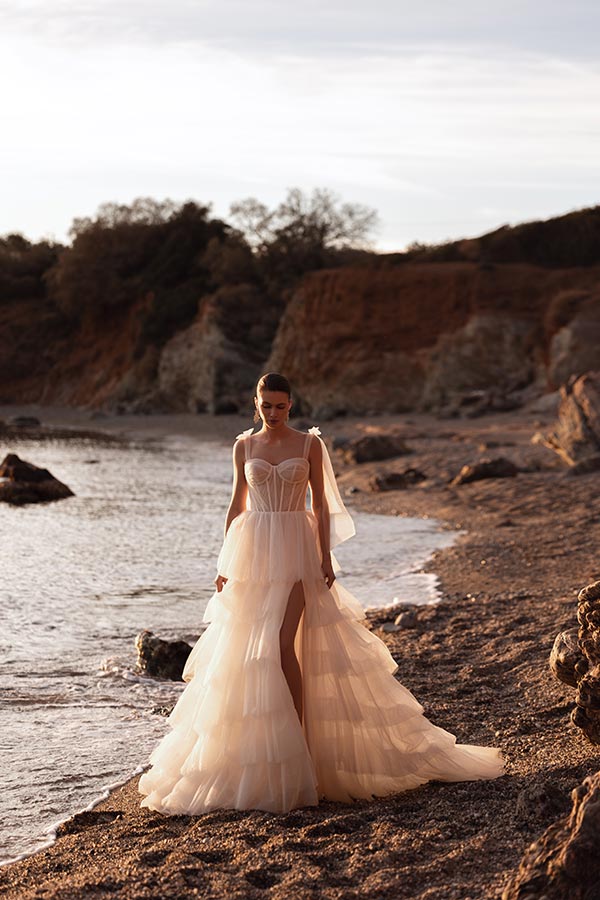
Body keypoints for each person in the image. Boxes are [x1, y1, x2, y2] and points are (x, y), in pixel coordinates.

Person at [138, 372, 503, 814]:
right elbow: (237, 505)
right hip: (253, 553)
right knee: (244, 649)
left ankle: (299, 740)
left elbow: (320, 505)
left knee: (279, 644)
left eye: (280, 406)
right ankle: (267, 745)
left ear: (291, 405)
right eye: (265, 405)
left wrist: (325, 557)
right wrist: (224, 563)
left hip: (296, 551)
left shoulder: (310, 445)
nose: (273, 413)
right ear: (255, 403)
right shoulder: (244, 446)